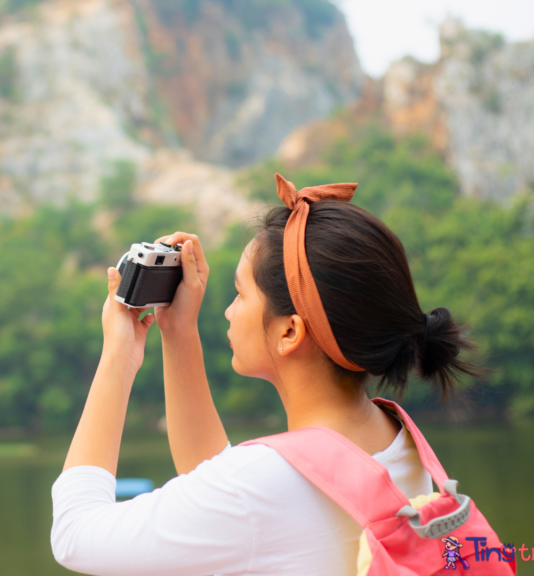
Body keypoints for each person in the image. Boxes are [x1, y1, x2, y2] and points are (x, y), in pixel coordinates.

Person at [50, 174, 482, 576]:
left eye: (240, 294)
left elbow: (74, 533)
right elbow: (219, 482)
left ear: (290, 330)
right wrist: (178, 332)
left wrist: (118, 357)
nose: (228, 311)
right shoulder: (399, 440)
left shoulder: (257, 486)